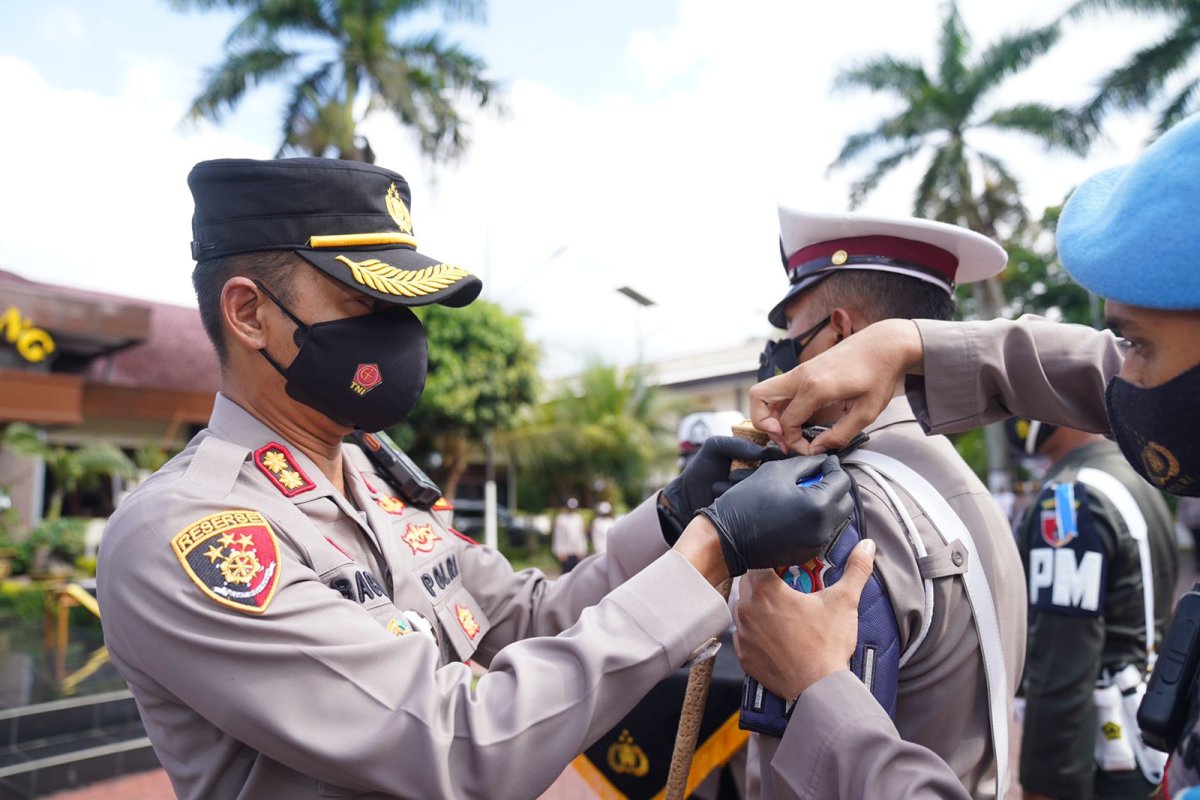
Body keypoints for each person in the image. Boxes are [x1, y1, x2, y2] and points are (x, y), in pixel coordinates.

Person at [95, 157, 857, 800]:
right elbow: (457, 742)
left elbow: (528, 620)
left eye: (407, 308)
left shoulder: (372, 476)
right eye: (366, 302)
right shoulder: (188, 533)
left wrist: (673, 520)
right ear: (249, 315)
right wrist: (712, 555)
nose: (402, 334)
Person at [740, 112, 1200, 797]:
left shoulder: (854, 506)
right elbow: (1081, 367)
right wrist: (908, 344)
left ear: (836, 330)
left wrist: (818, 695)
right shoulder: (954, 487)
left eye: (1135, 345)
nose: (1121, 378)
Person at [743, 207, 1026, 800]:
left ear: (843, 334)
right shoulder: (964, 487)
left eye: (793, 339)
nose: (782, 361)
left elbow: (796, 776)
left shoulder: (834, 505)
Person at [1004, 418, 1177, 798]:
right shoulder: (1127, 472)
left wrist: (1043, 783)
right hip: (1146, 735)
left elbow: (1061, 661)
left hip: (1105, 757)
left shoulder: (1071, 497)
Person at [551, 497, 589, 572]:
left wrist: (582, 549)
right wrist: (559, 551)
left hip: (576, 551)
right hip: (565, 552)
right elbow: (558, 536)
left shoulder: (578, 518)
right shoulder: (561, 519)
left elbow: (581, 536)